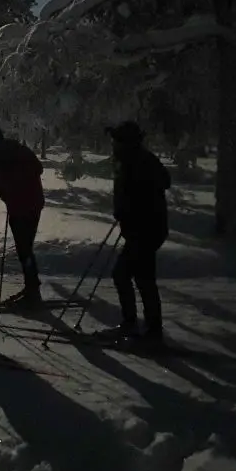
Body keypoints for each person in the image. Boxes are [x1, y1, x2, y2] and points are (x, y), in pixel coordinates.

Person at [106, 120, 171, 344]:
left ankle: (148, 329)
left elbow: (161, 183)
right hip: (139, 229)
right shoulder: (129, 160)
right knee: (132, 276)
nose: (113, 144)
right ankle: (137, 325)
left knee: (133, 276)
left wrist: (131, 208)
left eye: (116, 140)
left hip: (146, 230)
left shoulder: (141, 161)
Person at [0, 125, 45, 304]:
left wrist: (5, 171)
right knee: (23, 248)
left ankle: (33, 289)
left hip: (28, 205)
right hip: (17, 206)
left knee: (25, 248)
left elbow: (36, 168)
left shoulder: (17, 151)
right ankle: (31, 285)